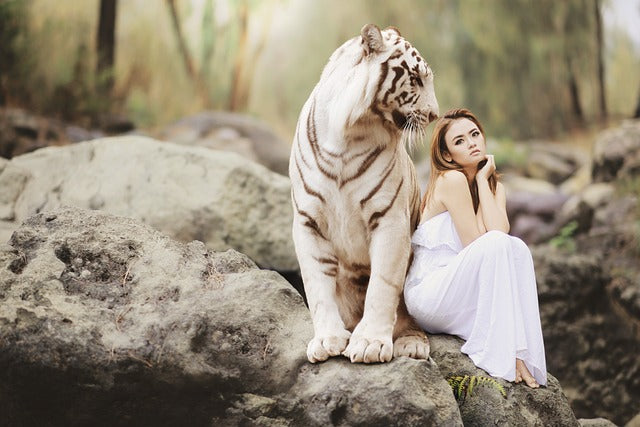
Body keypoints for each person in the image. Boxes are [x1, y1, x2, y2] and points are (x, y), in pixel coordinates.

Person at [404, 108, 547, 388]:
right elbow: (479, 243)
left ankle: (517, 353)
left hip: (463, 291)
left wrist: (483, 182)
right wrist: (480, 183)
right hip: (431, 293)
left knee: (517, 249)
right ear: (447, 156)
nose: (471, 143)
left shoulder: (494, 187)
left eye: (474, 134)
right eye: (459, 141)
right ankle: (509, 354)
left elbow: (499, 235)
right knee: (498, 245)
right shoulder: (450, 180)